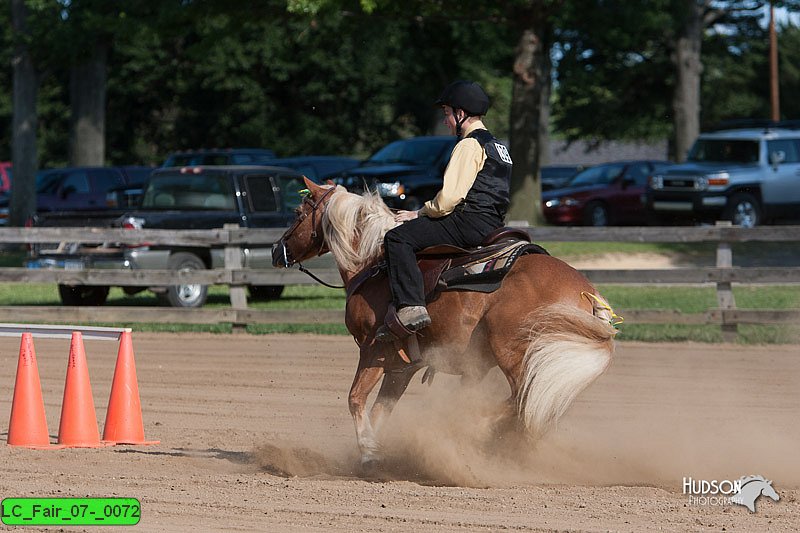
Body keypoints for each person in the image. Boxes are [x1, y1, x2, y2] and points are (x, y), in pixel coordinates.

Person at [376, 80, 513, 342]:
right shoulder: (499, 147)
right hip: (495, 224)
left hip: (468, 221)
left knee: (398, 238)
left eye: (447, 114)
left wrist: (419, 213)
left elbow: (450, 198)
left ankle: (410, 307)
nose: (446, 121)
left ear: (461, 113)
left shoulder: (469, 145)